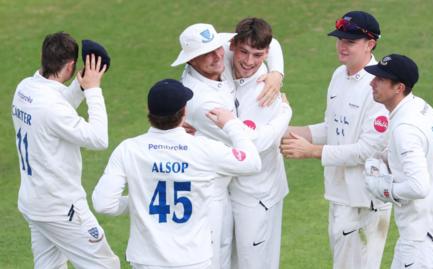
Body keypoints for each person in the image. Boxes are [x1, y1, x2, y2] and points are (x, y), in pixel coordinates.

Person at [92, 79, 262, 269]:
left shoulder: (128, 149)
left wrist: (141, 201)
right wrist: (231, 124)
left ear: (149, 112)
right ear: (184, 111)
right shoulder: (204, 149)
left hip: (146, 261)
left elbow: (103, 204)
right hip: (193, 260)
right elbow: (252, 162)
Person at [171, 23, 291, 269]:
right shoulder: (200, 99)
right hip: (220, 189)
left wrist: (278, 72)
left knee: (254, 262)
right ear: (192, 60)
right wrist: (286, 114)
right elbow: (253, 143)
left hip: (259, 191)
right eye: (207, 54)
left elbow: (272, 42)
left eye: (217, 49)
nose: (218, 56)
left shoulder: (260, 79)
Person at [280, 11, 391, 269]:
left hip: (366, 197)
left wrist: (311, 151)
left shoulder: (378, 86)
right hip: (339, 192)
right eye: (340, 39)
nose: (342, 45)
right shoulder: (338, 76)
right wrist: (288, 132)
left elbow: (367, 150)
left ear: (370, 44)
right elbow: (334, 128)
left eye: (350, 41)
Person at [11, 32, 119, 268]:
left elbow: (55, 111)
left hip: (34, 203)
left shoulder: (24, 89)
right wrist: (93, 90)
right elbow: (99, 139)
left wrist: (79, 87)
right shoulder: (52, 108)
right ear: (71, 65)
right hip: (61, 208)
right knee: (106, 265)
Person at [363, 54, 433, 269]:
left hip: (424, 235)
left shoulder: (406, 128)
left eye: (380, 79)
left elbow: (418, 186)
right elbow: (423, 151)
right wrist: (387, 157)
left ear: (399, 88)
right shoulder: (419, 106)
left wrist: (383, 189)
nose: (372, 82)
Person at [227, 17, 290, 269]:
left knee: (255, 264)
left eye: (257, 54)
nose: (249, 62)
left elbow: (254, 145)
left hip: (259, 194)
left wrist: (286, 113)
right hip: (225, 190)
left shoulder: (267, 92)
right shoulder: (219, 56)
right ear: (232, 45)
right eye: (244, 52)